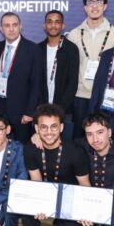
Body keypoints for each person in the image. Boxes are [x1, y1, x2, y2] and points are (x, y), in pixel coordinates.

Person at [14, 104, 91, 226]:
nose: (49, 132)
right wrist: (40, 204)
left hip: (69, 199)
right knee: (25, 194)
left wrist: (86, 212)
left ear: (61, 127)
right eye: (44, 127)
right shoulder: (30, 149)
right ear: (36, 129)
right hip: (46, 195)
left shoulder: (76, 151)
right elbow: (36, 181)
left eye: (54, 127)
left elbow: (85, 184)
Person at [66, 0, 114, 136]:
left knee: (103, 137)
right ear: (85, 7)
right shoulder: (74, 34)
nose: (94, 6)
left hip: (105, 96)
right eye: (90, 2)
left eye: (99, 2)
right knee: (80, 137)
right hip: (80, 96)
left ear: (105, 6)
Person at [0, 12, 42, 143]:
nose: (11, 29)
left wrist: (30, 112)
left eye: (15, 25)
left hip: (21, 111)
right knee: (0, 145)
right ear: (1, 29)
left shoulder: (33, 49)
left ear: (20, 26)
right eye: (7, 25)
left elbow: (37, 84)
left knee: (21, 147)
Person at [38, 9, 79, 141]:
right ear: (44, 25)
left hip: (64, 111)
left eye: (57, 22)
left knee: (65, 146)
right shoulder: (37, 49)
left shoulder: (71, 49)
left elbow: (72, 82)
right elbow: (35, 82)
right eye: (49, 22)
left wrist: (60, 109)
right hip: (41, 110)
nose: (53, 25)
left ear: (63, 26)